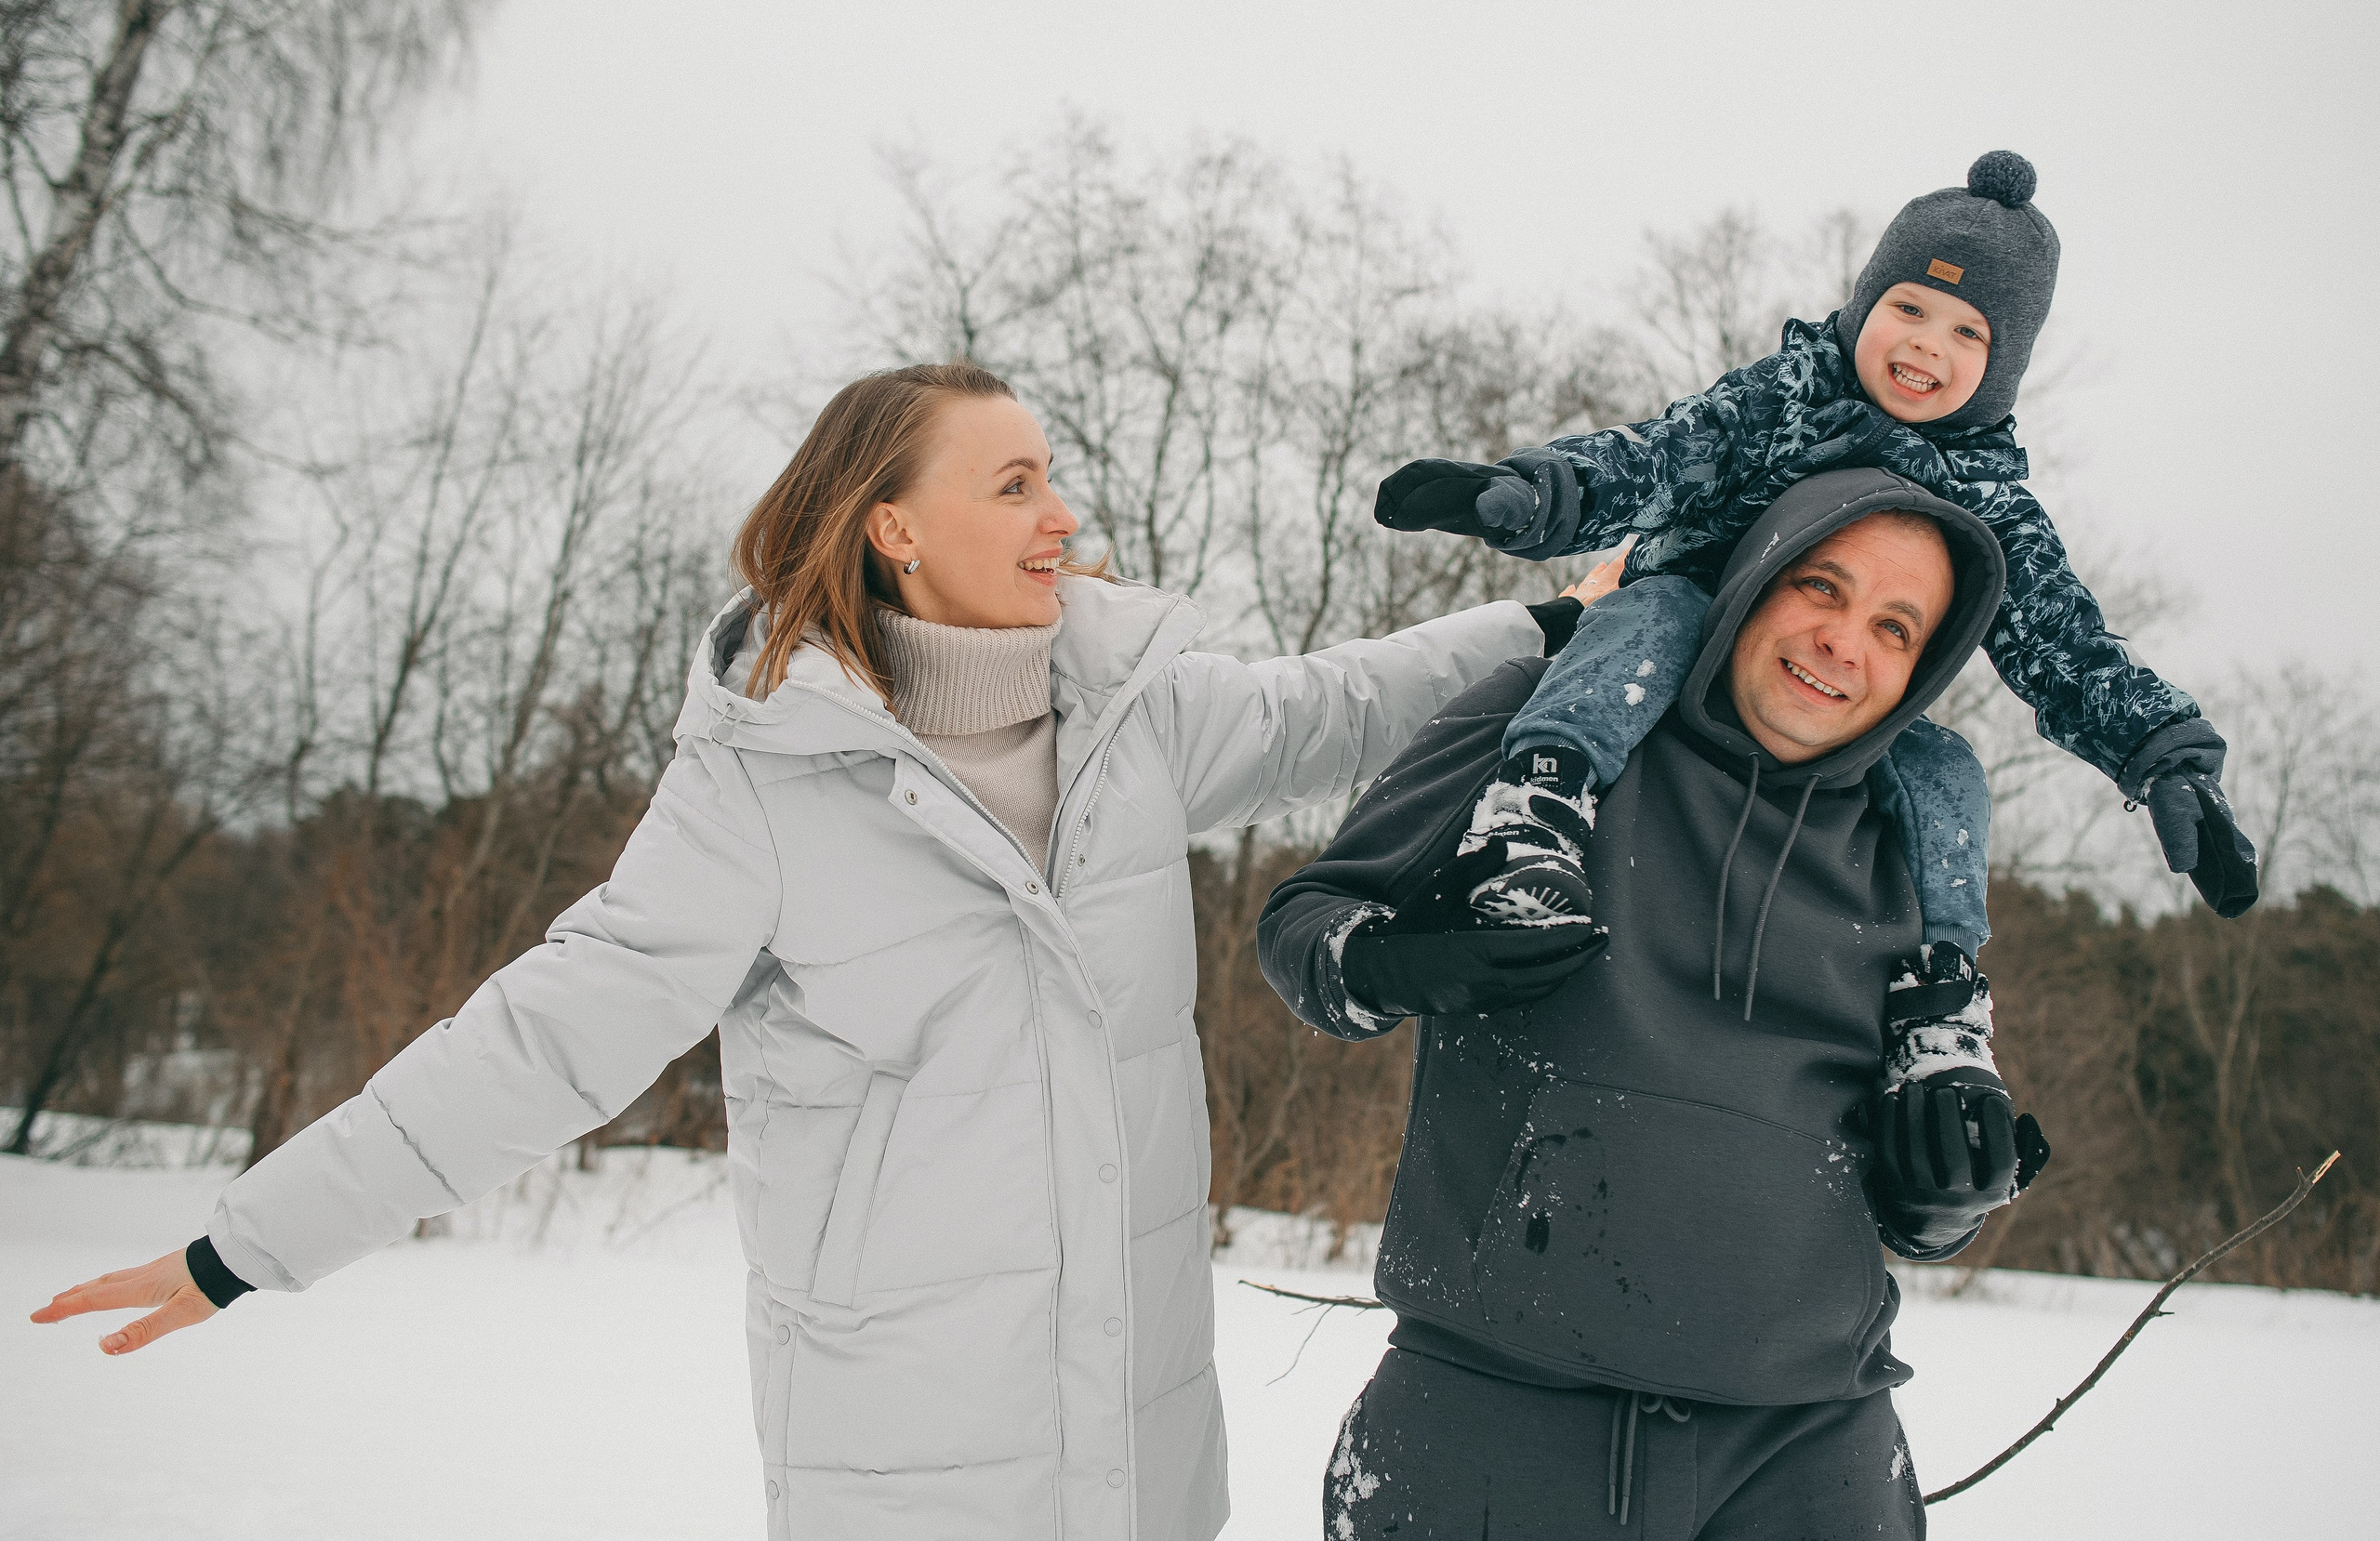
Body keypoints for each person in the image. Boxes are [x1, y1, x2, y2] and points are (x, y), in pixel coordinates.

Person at [30, 362, 1591, 1541]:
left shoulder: (1137, 719)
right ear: (896, 525)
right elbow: (544, 1036)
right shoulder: (765, 784)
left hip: (1138, 1432)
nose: (1061, 516)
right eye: (1014, 484)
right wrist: (250, 1240)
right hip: (900, 1450)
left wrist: (1557, 628)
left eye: (1054, 478)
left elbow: (1344, 706)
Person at [1260, 468, 2051, 1539]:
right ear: (1751, 578)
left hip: (1807, 1453)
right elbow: (1306, 919)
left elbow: (1906, 1200)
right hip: (1494, 1421)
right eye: (1820, 587)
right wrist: (1388, 963)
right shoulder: (1553, 732)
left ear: (1918, 670)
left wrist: (1945, 1191)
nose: (1841, 641)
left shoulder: (1910, 853)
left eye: (1893, 627)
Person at [1371, 150, 2258, 962]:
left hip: (1831, 700)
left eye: (1966, 333)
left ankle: (1940, 978)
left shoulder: (1990, 502)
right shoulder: (1785, 402)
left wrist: (2163, 757)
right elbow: (1661, 456)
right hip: (1687, 639)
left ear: (2003, 366)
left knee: (1942, 764)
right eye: (1909, 308)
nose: (1925, 343)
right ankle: (1539, 806)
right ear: (1865, 305)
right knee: (1655, 611)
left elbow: (2066, 646)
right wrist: (1540, 494)